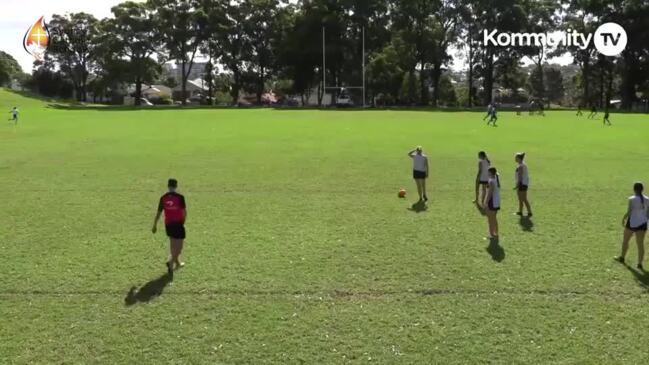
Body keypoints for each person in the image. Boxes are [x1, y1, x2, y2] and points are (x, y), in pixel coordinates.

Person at [152, 178, 187, 276]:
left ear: (168, 186)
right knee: (179, 247)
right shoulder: (180, 197)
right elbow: (184, 212)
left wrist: (154, 225)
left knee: (173, 245)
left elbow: (158, 213)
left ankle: (177, 263)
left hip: (168, 224)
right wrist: (183, 221)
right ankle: (171, 261)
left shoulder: (163, 198)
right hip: (178, 224)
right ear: (176, 186)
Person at [615, 182, 648, 270]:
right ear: (642, 189)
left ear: (634, 189)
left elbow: (629, 212)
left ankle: (622, 258)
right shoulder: (647, 199)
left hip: (632, 223)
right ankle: (640, 264)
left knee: (625, 241)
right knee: (640, 244)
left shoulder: (632, 199)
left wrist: (623, 218)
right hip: (643, 223)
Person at [514, 152, 533, 217]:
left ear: (519, 158)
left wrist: (517, 185)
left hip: (521, 184)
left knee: (523, 199)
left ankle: (529, 212)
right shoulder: (523, 165)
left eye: (516, 157)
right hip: (524, 184)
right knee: (522, 199)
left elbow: (520, 176)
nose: (515, 158)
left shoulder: (521, 166)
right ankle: (521, 211)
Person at [484, 167, 501, 238]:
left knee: (490, 219)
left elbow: (490, 193)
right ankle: (495, 233)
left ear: (490, 173)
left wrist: (485, 202)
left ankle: (491, 234)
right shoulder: (495, 179)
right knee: (494, 218)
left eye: (488, 172)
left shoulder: (491, 181)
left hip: (492, 202)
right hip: (496, 201)